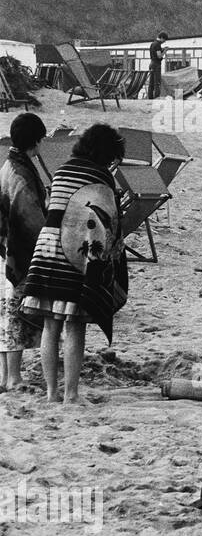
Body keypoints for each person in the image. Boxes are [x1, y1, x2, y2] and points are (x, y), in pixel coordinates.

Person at [21, 124, 129, 404]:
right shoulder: (100, 177)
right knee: (74, 325)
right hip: (75, 253)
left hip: (47, 249)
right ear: (107, 152)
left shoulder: (61, 172)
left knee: (50, 326)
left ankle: (51, 393)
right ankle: (71, 394)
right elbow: (109, 226)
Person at [0, 114, 47, 392]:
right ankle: (14, 376)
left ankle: (6, 375)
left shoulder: (8, 165)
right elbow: (30, 216)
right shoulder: (21, 172)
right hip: (16, 250)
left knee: (5, 314)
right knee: (15, 313)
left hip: (4, 247)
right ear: (37, 141)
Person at [147, 31, 168, 100]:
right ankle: (156, 98)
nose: (164, 42)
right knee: (157, 83)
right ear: (161, 38)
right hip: (156, 65)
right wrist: (164, 51)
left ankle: (150, 97)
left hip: (151, 63)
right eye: (164, 40)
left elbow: (155, 52)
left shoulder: (152, 44)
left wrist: (162, 49)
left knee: (151, 82)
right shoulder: (157, 45)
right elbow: (159, 56)